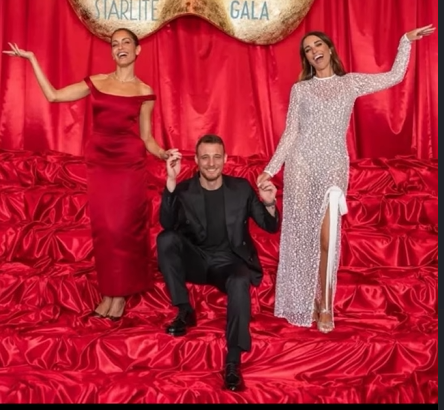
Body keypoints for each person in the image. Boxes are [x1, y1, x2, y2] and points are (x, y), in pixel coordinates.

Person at [256, 24, 435, 333]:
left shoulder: (350, 83)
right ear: (306, 58)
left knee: (328, 239)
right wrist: (271, 169)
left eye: (317, 45)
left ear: (329, 48)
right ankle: (308, 300)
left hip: (333, 167)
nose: (314, 51)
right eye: (308, 50)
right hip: (301, 165)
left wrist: (405, 41)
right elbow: (291, 132)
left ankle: (326, 303)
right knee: (304, 237)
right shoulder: (301, 90)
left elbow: (394, 77)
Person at [3, 29, 176, 320]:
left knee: (123, 229)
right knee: (105, 230)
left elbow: (147, 138)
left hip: (129, 165)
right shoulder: (97, 81)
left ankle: (118, 298)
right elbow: (54, 96)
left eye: (126, 42)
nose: (120, 47)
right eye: (115, 43)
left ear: (137, 50)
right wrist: (32, 59)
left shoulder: (144, 91)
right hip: (100, 163)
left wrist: (163, 154)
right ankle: (108, 293)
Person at [156, 134, 280, 391]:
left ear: (225, 159)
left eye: (216, 157)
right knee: (166, 239)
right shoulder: (184, 189)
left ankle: (233, 361)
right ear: (196, 160)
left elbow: (269, 226)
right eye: (205, 157)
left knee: (240, 279)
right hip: (197, 260)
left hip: (229, 263)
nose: (211, 163)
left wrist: (269, 204)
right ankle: (185, 310)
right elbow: (167, 224)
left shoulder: (241, 189)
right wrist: (171, 182)